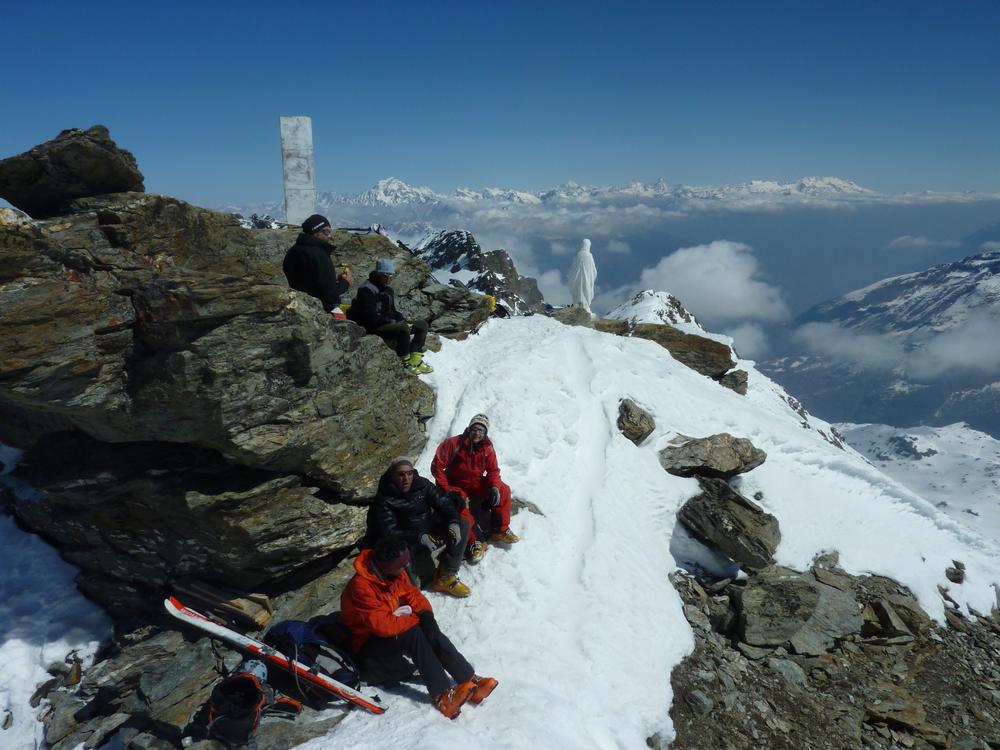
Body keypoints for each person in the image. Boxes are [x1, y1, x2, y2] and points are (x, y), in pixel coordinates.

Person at [340, 536, 497, 719]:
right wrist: (417, 620)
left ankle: (468, 679)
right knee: (414, 633)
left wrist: (425, 614)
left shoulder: (393, 572)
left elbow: (412, 594)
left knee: (426, 626)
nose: (406, 567)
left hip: (389, 625)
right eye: (402, 564)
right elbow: (383, 626)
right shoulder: (361, 587)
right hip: (366, 644)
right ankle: (443, 695)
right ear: (385, 564)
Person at [371, 457, 473, 597]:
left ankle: (446, 575)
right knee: (409, 582)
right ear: (392, 475)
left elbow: (443, 503)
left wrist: (453, 521)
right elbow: (390, 531)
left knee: (462, 522)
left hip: (430, 531)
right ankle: (411, 593)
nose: (406, 478)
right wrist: (418, 537)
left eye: (409, 473)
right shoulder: (385, 499)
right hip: (408, 543)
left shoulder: (422, 485)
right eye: (401, 474)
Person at [432, 414, 520, 557]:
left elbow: (493, 471)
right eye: (474, 429)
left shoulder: (487, 448)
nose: (477, 433)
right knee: (458, 504)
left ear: (485, 433)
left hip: (476, 483)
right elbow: (437, 467)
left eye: (481, 430)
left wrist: (495, 487)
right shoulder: (453, 443)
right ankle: (476, 541)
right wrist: (446, 489)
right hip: (455, 485)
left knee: (504, 489)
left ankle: (500, 530)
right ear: (469, 428)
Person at [349, 258, 431, 373]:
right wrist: (392, 321)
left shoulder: (388, 290)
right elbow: (369, 316)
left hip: (388, 321)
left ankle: (415, 359)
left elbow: (392, 310)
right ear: (379, 274)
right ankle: (405, 361)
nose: (389, 278)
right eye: (386, 275)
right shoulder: (366, 290)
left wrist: (401, 318)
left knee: (422, 325)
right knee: (403, 328)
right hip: (375, 326)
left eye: (391, 275)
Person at [282, 214, 353, 317]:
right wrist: (346, 282)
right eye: (326, 231)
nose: (329, 236)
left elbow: (310, 280)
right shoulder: (318, 254)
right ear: (315, 232)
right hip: (323, 308)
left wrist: (331, 278)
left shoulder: (294, 250)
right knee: (343, 328)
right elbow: (329, 294)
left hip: (301, 305)